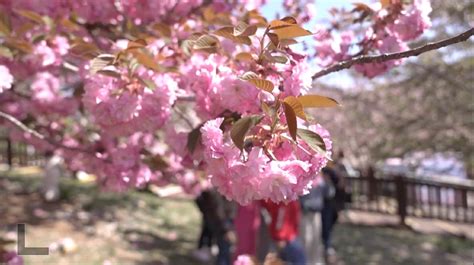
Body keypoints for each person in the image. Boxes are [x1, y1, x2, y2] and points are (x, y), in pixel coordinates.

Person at [261, 200, 306, 265]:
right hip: (286, 239)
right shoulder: (286, 202)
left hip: (288, 239)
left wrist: (280, 237)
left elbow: (282, 220)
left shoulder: (287, 202)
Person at [299, 177, 326, 264]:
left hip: (316, 213)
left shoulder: (320, 179)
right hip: (305, 214)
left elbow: (328, 192)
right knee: (306, 239)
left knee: (316, 239)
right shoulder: (303, 177)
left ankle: (316, 262)